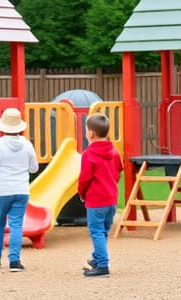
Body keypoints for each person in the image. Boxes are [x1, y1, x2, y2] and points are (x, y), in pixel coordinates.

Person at [0, 108, 39, 272]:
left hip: (2, 190)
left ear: (2, 126)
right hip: (21, 190)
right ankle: (14, 261)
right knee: (16, 225)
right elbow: (34, 168)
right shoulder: (27, 144)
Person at [78, 113, 123, 278]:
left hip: (96, 200)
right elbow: (118, 171)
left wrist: (82, 193)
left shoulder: (88, 154)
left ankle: (103, 265)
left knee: (96, 231)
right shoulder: (114, 152)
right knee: (103, 230)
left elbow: (84, 179)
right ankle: (97, 259)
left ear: (90, 133)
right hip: (111, 199)